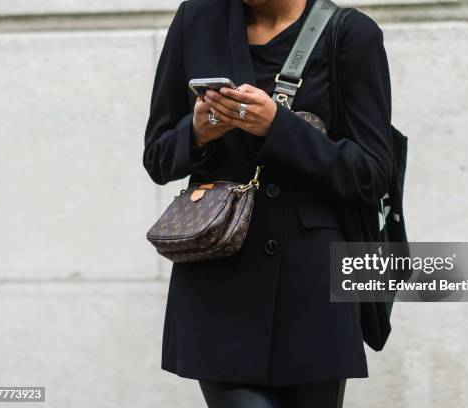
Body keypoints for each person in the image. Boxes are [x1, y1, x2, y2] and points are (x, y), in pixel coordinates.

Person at [143, 0, 393, 406]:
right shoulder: (197, 19)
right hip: (218, 284)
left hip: (313, 292)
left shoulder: (351, 34)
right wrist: (199, 130)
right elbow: (157, 157)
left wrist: (278, 127)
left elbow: (371, 173)